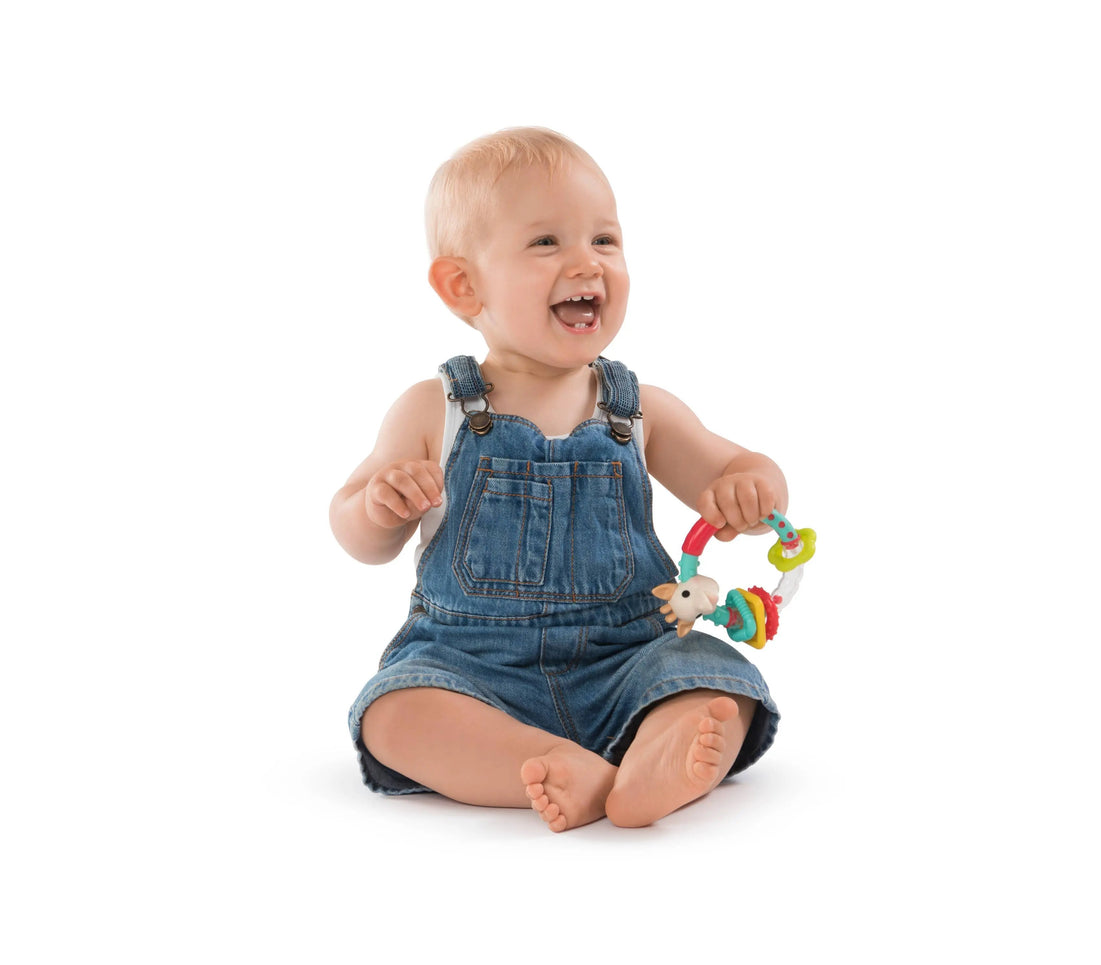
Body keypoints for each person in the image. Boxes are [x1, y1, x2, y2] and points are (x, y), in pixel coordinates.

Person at [329, 127, 787, 831]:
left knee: (713, 679)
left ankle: (654, 757)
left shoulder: (638, 410)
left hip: (627, 654)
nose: (586, 262)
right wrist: (379, 504)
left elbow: (730, 471)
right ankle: (555, 763)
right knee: (395, 712)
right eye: (546, 243)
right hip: (471, 666)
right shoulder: (434, 408)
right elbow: (355, 529)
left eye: (604, 240)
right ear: (463, 284)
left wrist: (751, 487)